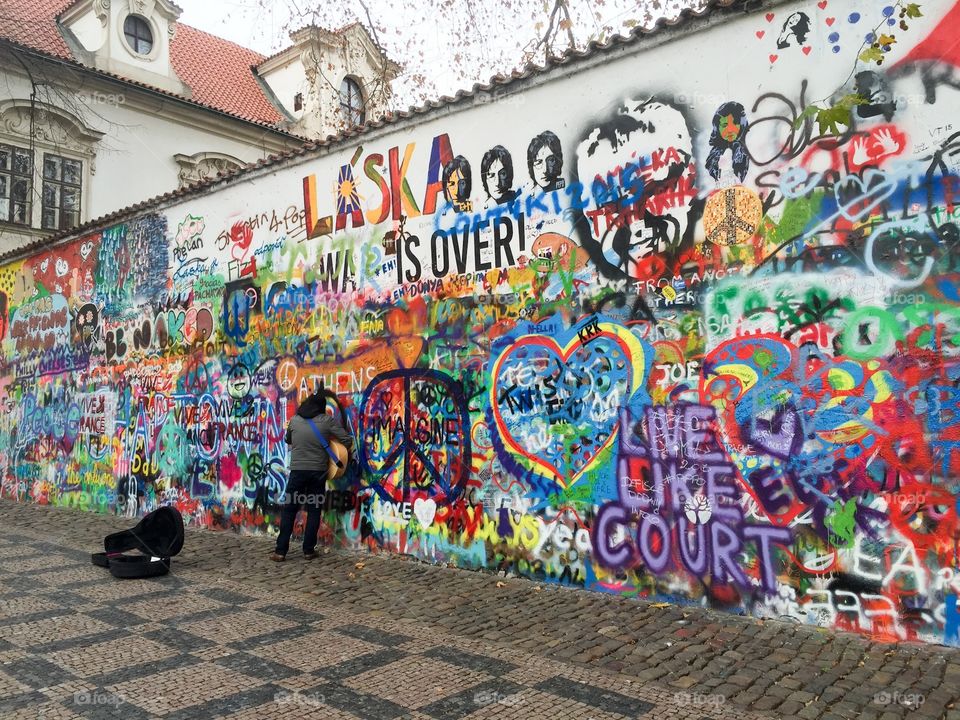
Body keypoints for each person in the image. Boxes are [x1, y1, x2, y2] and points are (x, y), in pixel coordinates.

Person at [270, 390, 354, 561]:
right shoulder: (326, 420)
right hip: (318, 472)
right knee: (314, 509)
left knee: (289, 510)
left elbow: (288, 440)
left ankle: (280, 551)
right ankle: (308, 550)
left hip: (297, 472)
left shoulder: (294, 420)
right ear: (321, 407)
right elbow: (347, 439)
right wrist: (333, 445)